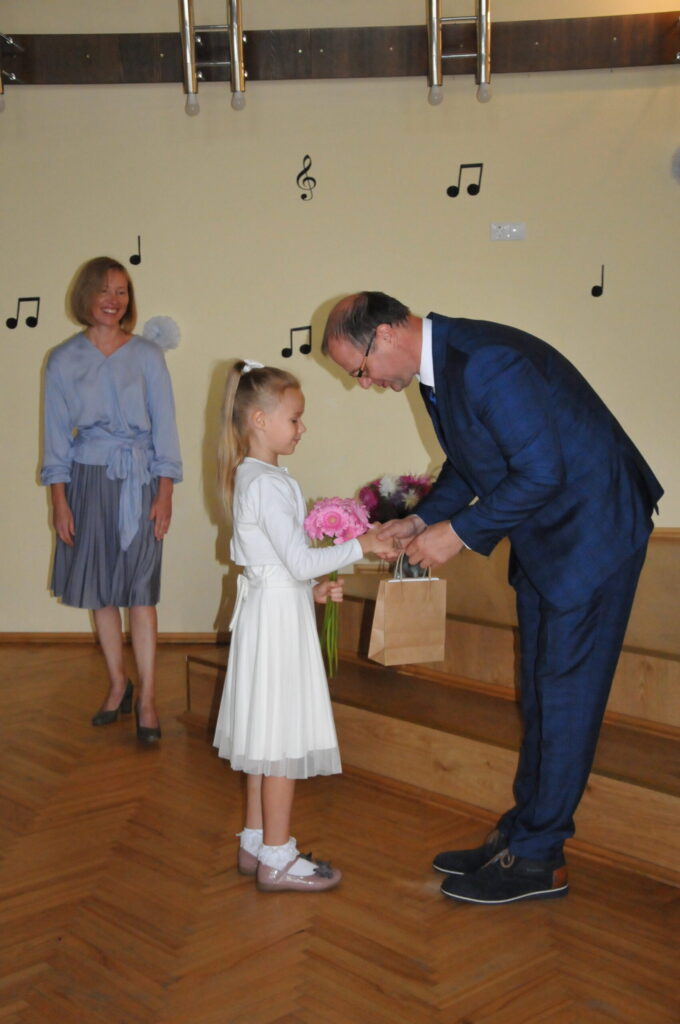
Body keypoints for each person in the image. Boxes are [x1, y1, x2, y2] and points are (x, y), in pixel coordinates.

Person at [322, 291, 663, 905]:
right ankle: (522, 834)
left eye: (360, 370)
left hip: (592, 535)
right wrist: (422, 520)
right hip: (550, 536)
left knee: (564, 698)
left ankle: (539, 859)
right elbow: (472, 465)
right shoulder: (446, 365)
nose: (364, 384)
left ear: (386, 335)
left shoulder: (484, 362)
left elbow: (542, 472)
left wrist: (455, 535)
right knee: (540, 691)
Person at [213, 359, 390, 892]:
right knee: (281, 740)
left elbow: (279, 567)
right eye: (294, 418)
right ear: (259, 420)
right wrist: (360, 545)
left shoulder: (256, 476)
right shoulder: (265, 483)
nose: (302, 427)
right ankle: (277, 856)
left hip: (271, 611)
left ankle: (254, 841)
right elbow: (297, 560)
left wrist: (307, 591)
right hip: (275, 625)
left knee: (263, 736)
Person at [41, 256, 182, 744]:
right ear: (86, 295)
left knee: (140, 591)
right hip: (86, 480)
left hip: (139, 481)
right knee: (100, 589)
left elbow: (166, 429)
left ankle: (148, 698)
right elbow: (56, 440)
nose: (113, 300)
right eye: (104, 290)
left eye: (122, 291)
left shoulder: (148, 355)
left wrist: (165, 492)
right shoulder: (62, 360)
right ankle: (119, 684)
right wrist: (59, 502)